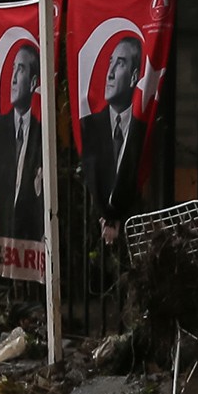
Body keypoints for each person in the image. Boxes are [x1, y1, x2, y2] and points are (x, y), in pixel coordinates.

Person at [76, 34, 150, 240]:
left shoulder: (143, 129)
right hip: (92, 241)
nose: (109, 73)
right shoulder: (88, 126)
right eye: (110, 62)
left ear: (134, 76)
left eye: (120, 64)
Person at [0, 43, 44, 254]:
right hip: (2, 233)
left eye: (21, 69)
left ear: (33, 82)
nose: (13, 78)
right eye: (13, 68)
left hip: (30, 238)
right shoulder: (0, 128)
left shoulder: (40, 132)